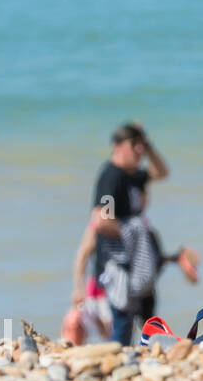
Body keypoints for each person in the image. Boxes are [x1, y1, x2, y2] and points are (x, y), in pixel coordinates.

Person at [71, 123, 170, 343]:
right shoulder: (111, 177)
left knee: (148, 317)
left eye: (141, 146)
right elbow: (100, 220)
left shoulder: (135, 175)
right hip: (117, 264)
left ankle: (149, 355)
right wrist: (133, 232)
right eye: (134, 145)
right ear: (117, 147)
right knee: (122, 321)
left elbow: (163, 172)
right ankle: (121, 358)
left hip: (139, 261)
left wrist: (148, 145)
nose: (139, 151)